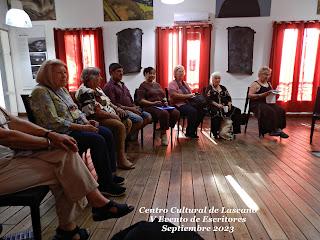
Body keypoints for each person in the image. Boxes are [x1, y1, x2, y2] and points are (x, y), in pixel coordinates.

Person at [0, 107, 134, 240]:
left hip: (11, 157)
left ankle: (72, 229)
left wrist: (50, 135)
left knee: (66, 154)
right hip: (3, 169)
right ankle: (79, 220)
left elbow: (14, 122)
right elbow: (6, 137)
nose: (63, 83)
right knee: (65, 168)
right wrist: (49, 142)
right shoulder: (40, 92)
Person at [30, 59, 126, 197]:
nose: (64, 76)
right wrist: (83, 128)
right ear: (48, 75)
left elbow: (76, 111)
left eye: (65, 72)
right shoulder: (40, 92)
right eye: (59, 73)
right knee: (97, 140)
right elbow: (52, 121)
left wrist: (87, 122)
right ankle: (105, 184)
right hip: (60, 134)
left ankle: (109, 175)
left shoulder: (61, 89)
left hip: (75, 127)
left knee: (106, 132)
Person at [76, 67, 135, 169]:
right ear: (90, 78)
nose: (101, 78)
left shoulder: (98, 89)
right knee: (119, 126)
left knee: (128, 122)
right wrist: (113, 115)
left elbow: (107, 102)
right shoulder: (86, 92)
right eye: (98, 76)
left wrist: (117, 109)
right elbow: (95, 112)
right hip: (95, 119)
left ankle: (118, 153)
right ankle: (120, 159)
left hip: (105, 115)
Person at [103, 63, 152, 141]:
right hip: (121, 110)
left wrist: (134, 106)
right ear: (111, 73)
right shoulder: (109, 86)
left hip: (130, 108)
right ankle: (124, 138)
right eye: (118, 71)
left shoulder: (122, 84)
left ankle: (130, 134)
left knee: (148, 117)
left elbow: (129, 98)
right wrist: (131, 109)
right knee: (139, 119)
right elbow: (114, 104)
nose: (121, 73)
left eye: (122, 71)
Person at [137, 67, 180, 146]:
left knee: (176, 113)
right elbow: (141, 100)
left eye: (154, 73)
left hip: (161, 105)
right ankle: (164, 135)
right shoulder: (142, 86)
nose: (152, 75)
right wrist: (152, 103)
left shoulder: (157, 84)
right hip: (149, 106)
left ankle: (160, 130)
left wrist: (165, 101)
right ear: (145, 74)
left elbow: (163, 96)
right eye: (150, 73)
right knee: (164, 113)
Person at [248, 66, 289, 138]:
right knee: (270, 111)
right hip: (257, 103)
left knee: (280, 110)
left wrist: (275, 94)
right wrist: (261, 95)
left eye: (268, 75)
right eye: (265, 74)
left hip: (267, 102)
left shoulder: (269, 84)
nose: (267, 76)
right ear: (260, 74)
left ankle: (278, 129)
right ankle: (271, 130)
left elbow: (271, 94)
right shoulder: (255, 84)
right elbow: (250, 95)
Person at [168, 65, 204, 138]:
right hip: (177, 104)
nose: (181, 73)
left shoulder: (185, 83)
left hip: (187, 103)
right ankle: (189, 132)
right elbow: (174, 96)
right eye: (179, 71)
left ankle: (192, 129)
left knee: (202, 111)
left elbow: (190, 94)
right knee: (193, 111)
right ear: (175, 73)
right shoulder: (172, 83)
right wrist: (189, 96)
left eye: (182, 71)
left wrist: (193, 95)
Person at [205, 72, 242, 138]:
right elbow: (208, 99)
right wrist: (217, 105)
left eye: (219, 78)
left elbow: (228, 97)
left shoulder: (223, 87)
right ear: (212, 79)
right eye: (215, 78)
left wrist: (229, 103)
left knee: (237, 110)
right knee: (217, 112)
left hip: (224, 106)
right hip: (213, 106)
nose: (217, 80)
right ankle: (215, 132)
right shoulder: (209, 88)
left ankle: (235, 130)